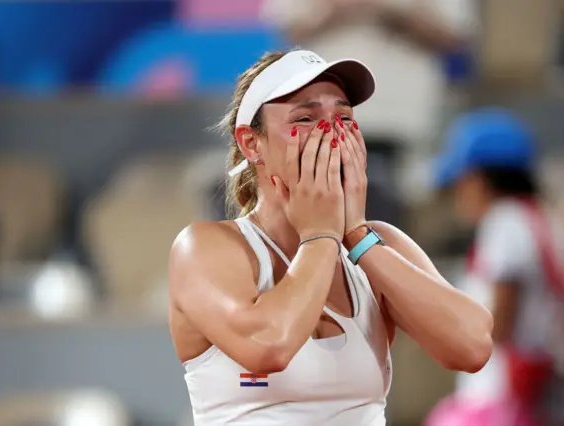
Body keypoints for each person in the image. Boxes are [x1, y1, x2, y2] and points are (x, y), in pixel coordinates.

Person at [167, 49, 493, 425]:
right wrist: (320, 233)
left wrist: (355, 234)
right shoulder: (206, 247)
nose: (332, 134)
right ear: (251, 143)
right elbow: (268, 345)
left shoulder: (376, 242)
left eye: (343, 118)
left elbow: (473, 346)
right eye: (305, 118)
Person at [425, 109, 564, 426]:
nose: (457, 195)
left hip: (499, 400)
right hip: (539, 397)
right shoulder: (544, 219)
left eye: (460, 182)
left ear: (481, 178)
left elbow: (500, 321)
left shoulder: (504, 222)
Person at [260, 0, 478, 226]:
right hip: (325, 116)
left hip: (405, 120)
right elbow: (289, 28)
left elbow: (454, 35)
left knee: (396, 223)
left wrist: (390, 9)